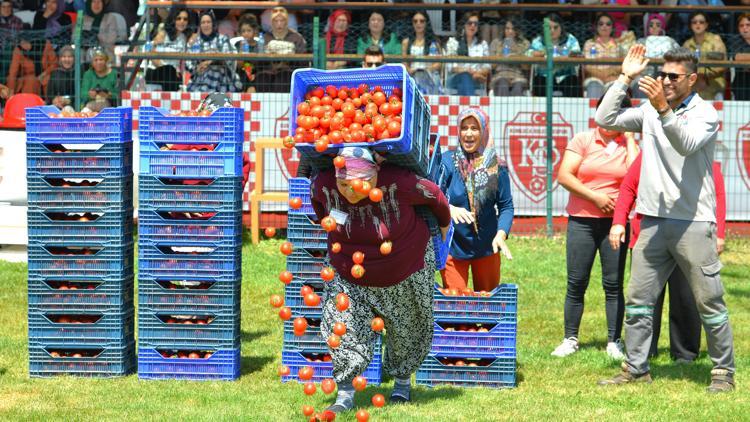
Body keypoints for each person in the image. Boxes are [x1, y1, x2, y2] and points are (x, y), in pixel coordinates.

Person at [596, 45, 735, 393]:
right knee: (639, 300)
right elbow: (605, 120)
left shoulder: (706, 113)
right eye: (662, 75)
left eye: (674, 76)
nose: (665, 81)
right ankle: (636, 367)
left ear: (693, 79)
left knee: (710, 301)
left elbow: (686, 143)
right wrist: (624, 77)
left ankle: (723, 373)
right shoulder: (648, 110)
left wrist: (661, 108)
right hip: (653, 222)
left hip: (694, 223)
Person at [310, 147, 451, 415]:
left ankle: (401, 384)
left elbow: (436, 196)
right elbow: (318, 204)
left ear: (376, 173)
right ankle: (345, 393)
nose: (351, 192)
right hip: (348, 273)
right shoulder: (324, 184)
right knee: (342, 327)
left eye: (361, 184)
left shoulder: (399, 183)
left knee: (407, 327)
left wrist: (444, 226)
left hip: (404, 269)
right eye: (344, 185)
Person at [610, 152, 726, 363]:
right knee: (644, 300)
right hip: (649, 237)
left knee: (686, 298)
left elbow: (717, 193)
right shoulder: (649, 155)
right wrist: (618, 221)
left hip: (689, 238)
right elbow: (628, 187)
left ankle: (685, 354)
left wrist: (720, 233)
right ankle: (643, 353)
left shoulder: (699, 152)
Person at [551, 96, 638, 360]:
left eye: (622, 111)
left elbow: (637, 174)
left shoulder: (628, 144)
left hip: (616, 225)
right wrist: (595, 197)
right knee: (576, 282)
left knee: (613, 284)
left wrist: (632, 138)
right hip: (582, 221)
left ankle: (614, 341)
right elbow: (564, 175)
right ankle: (570, 338)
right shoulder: (583, 140)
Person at [439, 108, 514, 292]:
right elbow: (434, 195)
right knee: (457, 310)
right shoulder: (447, 161)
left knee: (488, 309)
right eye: (464, 128)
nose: (469, 133)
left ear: (484, 131)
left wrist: (501, 234)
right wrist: (448, 208)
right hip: (452, 245)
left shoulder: (497, 167)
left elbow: (506, 206)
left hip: (488, 246)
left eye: (475, 128)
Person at [186, 11, 241, 93]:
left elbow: (228, 57)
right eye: (203, 23)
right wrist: (197, 68)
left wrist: (209, 62)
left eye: (208, 22)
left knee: (213, 71)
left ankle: (207, 97)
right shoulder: (196, 42)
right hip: (201, 77)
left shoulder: (223, 39)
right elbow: (189, 63)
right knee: (207, 74)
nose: (206, 25)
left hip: (222, 76)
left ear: (213, 24)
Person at [528, 13, 581, 97]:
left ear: (561, 28)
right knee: (539, 81)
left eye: (555, 27)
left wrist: (571, 56)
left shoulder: (570, 39)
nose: (552, 30)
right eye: (549, 28)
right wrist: (536, 53)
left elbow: (577, 52)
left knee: (573, 81)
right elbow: (527, 53)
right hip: (544, 77)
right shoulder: (538, 41)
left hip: (566, 76)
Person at [254, 7, 307, 93]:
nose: (279, 24)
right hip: (267, 72)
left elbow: (303, 62)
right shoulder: (264, 38)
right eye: (276, 21)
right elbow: (257, 60)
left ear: (287, 21)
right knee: (262, 77)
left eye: (282, 21)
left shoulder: (296, 37)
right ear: (271, 22)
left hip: (288, 72)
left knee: (283, 77)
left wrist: (290, 58)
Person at [146, 6, 194, 92]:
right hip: (156, 71)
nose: (182, 22)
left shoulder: (184, 38)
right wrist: (166, 68)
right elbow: (150, 51)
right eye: (178, 18)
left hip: (173, 76)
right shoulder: (163, 33)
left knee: (175, 75)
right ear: (173, 20)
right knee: (170, 70)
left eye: (185, 19)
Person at [682, 12, 727, 100]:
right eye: (694, 22)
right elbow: (683, 67)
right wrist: (696, 78)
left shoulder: (715, 40)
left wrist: (704, 77)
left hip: (714, 85)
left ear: (706, 24)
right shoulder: (686, 45)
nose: (698, 24)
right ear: (690, 25)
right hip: (693, 86)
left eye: (701, 22)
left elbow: (723, 65)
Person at [445, 12, 490, 96]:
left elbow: (487, 66)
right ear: (464, 25)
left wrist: (478, 73)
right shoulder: (453, 42)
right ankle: (471, 106)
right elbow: (450, 66)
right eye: (469, 23)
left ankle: (466, 107)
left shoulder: (483, 44)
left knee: (467, 79)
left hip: (476, 79)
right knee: (465, 77)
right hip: (455, 78)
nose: (472, 26)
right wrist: (469, 72)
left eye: (475, 24)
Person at [401, 10, 443, 95]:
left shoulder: (435, 42)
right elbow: (404, 62)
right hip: (413, 75)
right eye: (415, 21)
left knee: (421, 74)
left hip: (430, 75)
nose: (418, 23)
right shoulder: (406, 42)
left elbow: (439, 63)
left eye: (422, 21)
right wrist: (410, 70)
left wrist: (425, 70)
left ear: (426, 23)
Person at [582, 13, 623, 99]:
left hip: (613, 79)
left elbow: (622, 66)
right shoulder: (589, 43)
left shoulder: (618, 44)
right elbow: (587, 67)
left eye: (608, 24)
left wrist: (609, 74)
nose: (604, 26)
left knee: (615, 89)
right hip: (594, 78)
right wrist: (604, 75)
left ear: (612, 27)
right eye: (601, 24)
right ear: (596, 27)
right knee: (594, 87)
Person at [488, 17, 530, 97]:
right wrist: (501, 55)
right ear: (504, 30)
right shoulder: (496, 43)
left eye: (513, 29)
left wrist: (517, 53)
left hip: (518, 75)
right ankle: (502, 109)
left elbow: (527, 67)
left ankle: (515, 109)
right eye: (507, 29)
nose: (510, 31)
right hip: (501, 74)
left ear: (517, 30)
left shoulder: (525, 43)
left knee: (518, 86)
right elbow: (491, 66)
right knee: (502, 83)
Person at [234, 14, 261, 93]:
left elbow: (261, 63)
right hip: (241, 75)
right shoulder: (238, 44)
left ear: (254, 31)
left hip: (256, 74)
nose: (246, 33)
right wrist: (242, 53)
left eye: (249, 30)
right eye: (243, 31)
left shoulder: (259, 45)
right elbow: (237, 65)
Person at [732, 13, 750, 100]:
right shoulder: (736, 40)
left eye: (748, 25)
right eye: (741, 26)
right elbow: (737, 57)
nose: (745, 28)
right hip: (742, 82)